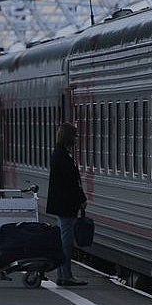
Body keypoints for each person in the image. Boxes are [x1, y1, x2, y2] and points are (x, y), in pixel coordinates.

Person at [46, 122, 88, 287]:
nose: (77, 138)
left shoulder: (60, 154)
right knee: (66, 241)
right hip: (66, 205)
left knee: (65, 239)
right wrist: (82, 199)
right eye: (75, 135)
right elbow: (71, 183)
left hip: (64, 204)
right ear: (69, 137)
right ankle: (66, 275)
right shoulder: (62, 157)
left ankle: (63, 274)